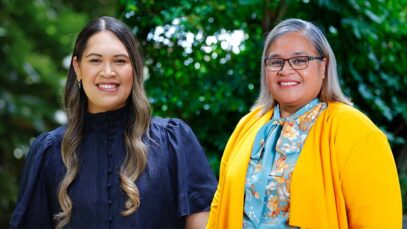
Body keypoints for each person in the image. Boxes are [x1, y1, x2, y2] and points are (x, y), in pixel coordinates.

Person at [10, 16, 217, 229]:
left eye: (120, 61)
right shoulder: (48, 152)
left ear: (134, 68)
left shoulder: (174, 142)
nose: (108, 72)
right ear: (78, 67)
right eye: (95, 60)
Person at [207, 18, 402, 229]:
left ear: (324, 65)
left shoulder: (355, 130)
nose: (285, 70)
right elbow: (219, 206)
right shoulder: (247, 126)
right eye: (275, 61)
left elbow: (380, 222)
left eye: (300, 60)